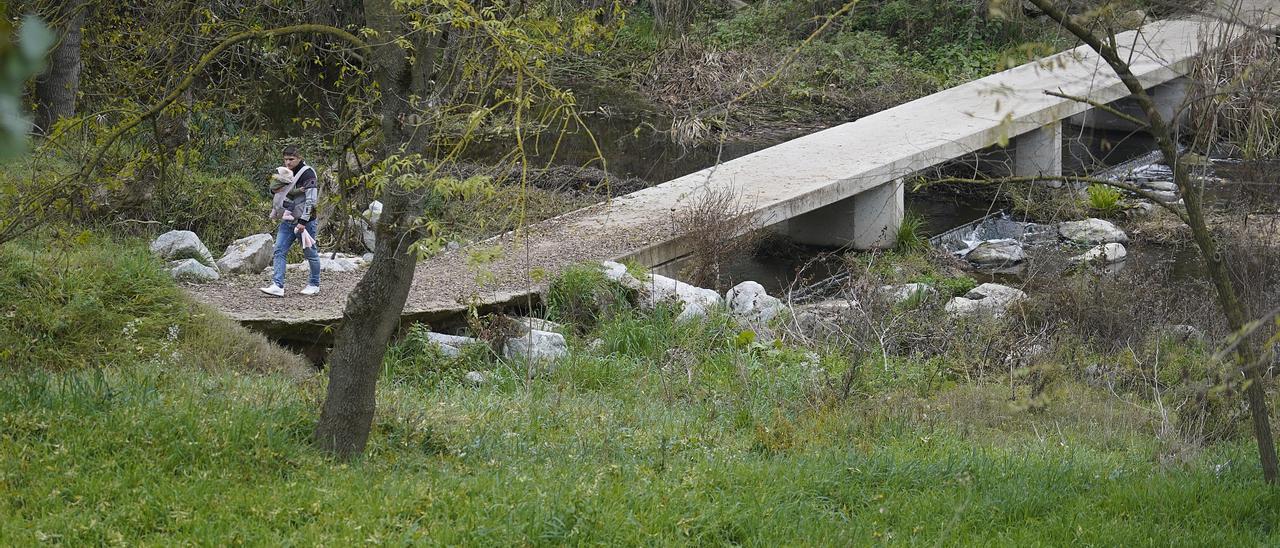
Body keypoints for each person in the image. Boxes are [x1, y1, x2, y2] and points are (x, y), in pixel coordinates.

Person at [260, 146, 320, 297]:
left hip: (305, 222)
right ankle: (277, 285)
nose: (288, 162)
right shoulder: (284, 172)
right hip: (287, 219)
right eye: (285, 159)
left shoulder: (308, 173)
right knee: (279, 250)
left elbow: (311, 200)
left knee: (310, 253)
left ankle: (314, 283)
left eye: (291, 159)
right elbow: (274, 190)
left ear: (299, 157)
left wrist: (303, 222)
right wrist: (273, 189)